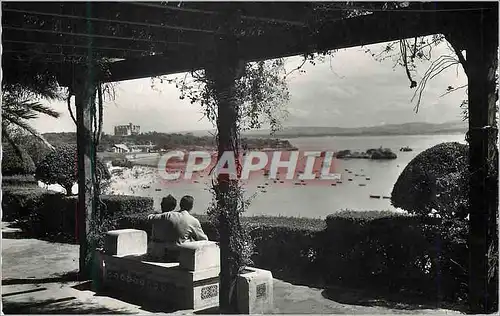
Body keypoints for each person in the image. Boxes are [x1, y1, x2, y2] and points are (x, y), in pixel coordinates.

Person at [147, 195, 208, 261]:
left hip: (156, 254)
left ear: (180, 204)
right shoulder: (193, 221)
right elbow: (204, 240)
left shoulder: (167, 215)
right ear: (191, 207)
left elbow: (149, 218)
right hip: (176, 257)